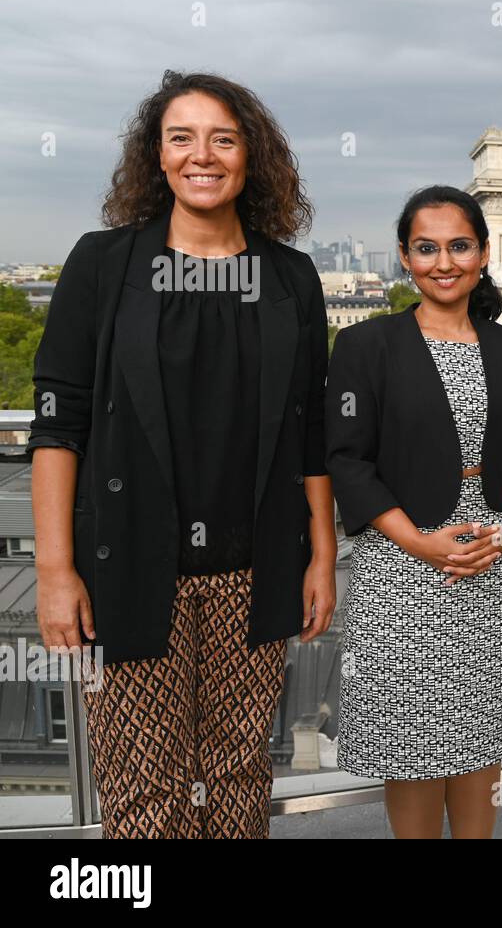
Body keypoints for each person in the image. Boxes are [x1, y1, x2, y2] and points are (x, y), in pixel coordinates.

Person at [30, 70, 335, 838]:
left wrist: (322, 557)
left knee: (237, 781)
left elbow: (310, 437)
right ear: (157, 157)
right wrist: (55, 570)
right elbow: (57, 425)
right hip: (127, 569)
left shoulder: (291, 277)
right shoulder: (103, 265)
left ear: (250, 156)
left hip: (255, 569)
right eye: (182, 137)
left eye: (223, 138)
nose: (203, 155)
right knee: (141, 794)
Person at [326, 186, 502, 838]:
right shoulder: (366, 345)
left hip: (490, 564)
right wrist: (420, 543)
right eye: (426, 247)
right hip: (401, 569)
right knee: (413, 748)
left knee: (482, 747)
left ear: (482, 253)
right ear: (403, 257)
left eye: (459, 245)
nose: (443, 261)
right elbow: (346, 460)